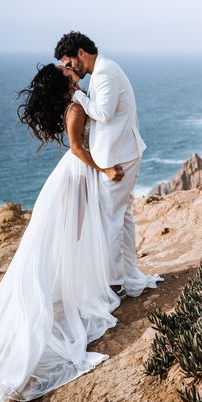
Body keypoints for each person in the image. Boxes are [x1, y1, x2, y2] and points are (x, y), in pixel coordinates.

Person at [0, 63, 161, 402]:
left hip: (76, 177)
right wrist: (105, 168)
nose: (72, 70)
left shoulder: (76, 102)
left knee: (79, 237)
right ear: (65, 83)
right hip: (75, 178)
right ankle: (84, 288)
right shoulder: (73, 108)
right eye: (67, 72)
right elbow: (76, 147)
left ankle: (91, 280)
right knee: (73, 236)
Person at [55, 31, 160, 299]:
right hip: (120, 151)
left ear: (81, 53)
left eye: (69, 62)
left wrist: (77, 96)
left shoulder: (104, 73)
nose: (69, 68)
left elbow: (104, 113)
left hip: (119, 156)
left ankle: (115, 284)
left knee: (110, 219)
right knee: (122, 217)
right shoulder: (104, 70)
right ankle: (128, 273)